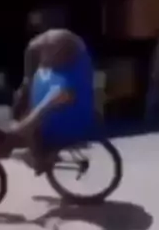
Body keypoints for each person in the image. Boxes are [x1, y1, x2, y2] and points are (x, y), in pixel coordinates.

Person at [9, 23, 96, 172]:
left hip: (62, 50)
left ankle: (40, 155)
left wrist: (30, 121)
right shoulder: (60, 62)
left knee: (39, 109)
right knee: (34, 103)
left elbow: (59, 95)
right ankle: (41, 154)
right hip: (67, 47)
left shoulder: (63, 66)